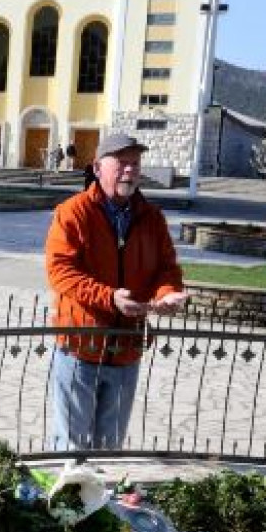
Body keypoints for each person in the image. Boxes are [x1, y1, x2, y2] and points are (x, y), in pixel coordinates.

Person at [43, 132, 187, 451]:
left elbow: (167, 268)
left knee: (109, 447)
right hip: (81, 347)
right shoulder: (73, 212)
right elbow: (60, 271)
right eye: (121, 163)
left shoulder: (152, 219)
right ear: (97, 167)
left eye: (135, 163)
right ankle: (66, 500)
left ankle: (101, 500)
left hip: (126, 350)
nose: (129, 171)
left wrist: (167, 292)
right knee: (70, 448)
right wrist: (108, 297)